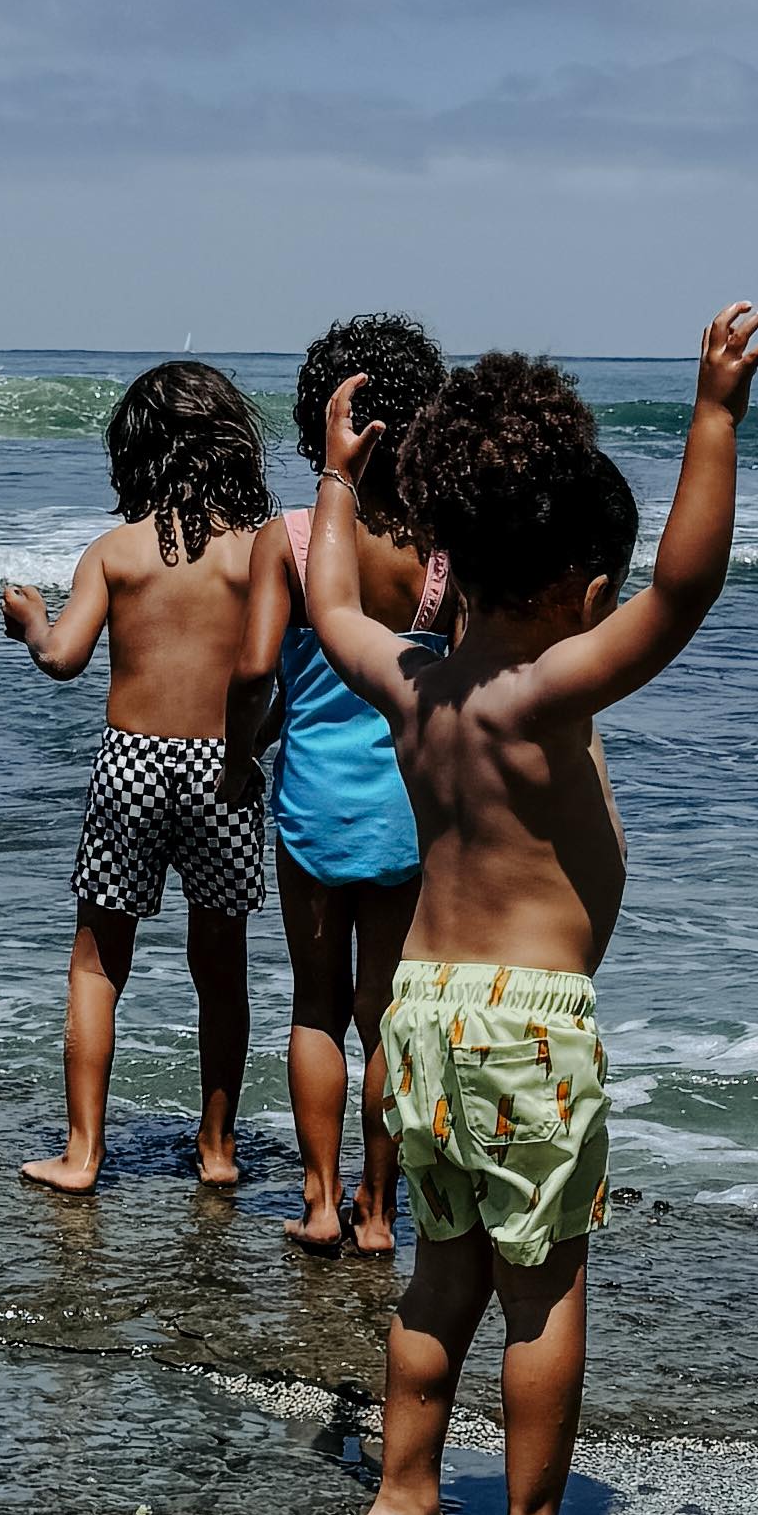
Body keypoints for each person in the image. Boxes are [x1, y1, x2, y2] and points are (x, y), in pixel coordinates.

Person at [300, 305, 758, 1515]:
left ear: (450, 554)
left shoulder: (413, 685)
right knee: (546, 1285)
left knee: (441, 1272)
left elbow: (328, 600)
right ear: (578, 590)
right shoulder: (547, 692)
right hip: (527, 1025)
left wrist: (338, 480)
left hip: (418, 1011)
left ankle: (404, 1500)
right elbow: (687, 588)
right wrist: (715, 417)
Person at [1, 356, 273, 1195]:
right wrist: (255, 745)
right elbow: (279, 667)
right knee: (220, 965)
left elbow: (63, 658)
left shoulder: (115, 553)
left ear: (135, 451)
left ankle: (83, 1154)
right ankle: (218, 1149)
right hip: (224, 764)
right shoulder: (259, 554)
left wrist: (31, 622)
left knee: (97, 961)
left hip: (131, 763)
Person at [231, 311, 447, 1258]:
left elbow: (252, 672)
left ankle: (319, 1204)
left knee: (315, 1005)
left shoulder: (287, 539)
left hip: (313, 805)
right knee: (387, 1013)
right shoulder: (441, 548)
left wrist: (243, 750)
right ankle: (379, 1212)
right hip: (408, 808)